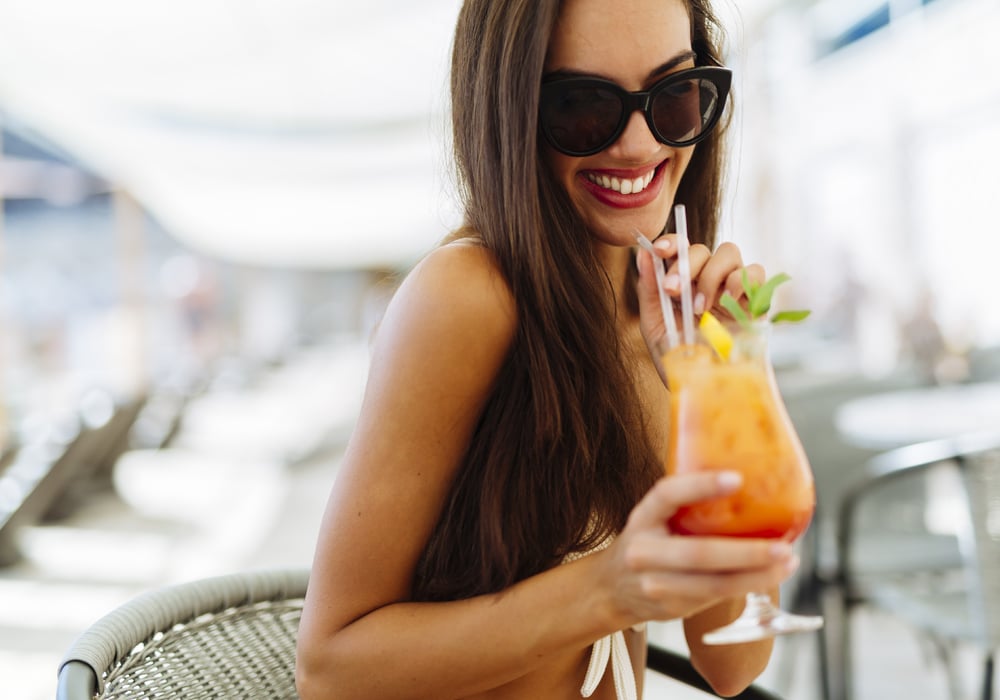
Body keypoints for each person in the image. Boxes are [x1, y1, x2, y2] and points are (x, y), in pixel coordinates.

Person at [296, 1, 799, 698]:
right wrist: (609, 588)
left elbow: (733, 662)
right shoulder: (467, 298)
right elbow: (330, 670)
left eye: (674, 97)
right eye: (583, 107)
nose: (636, 147)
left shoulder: (665, 313)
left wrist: (729, 388)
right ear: (510, 113)